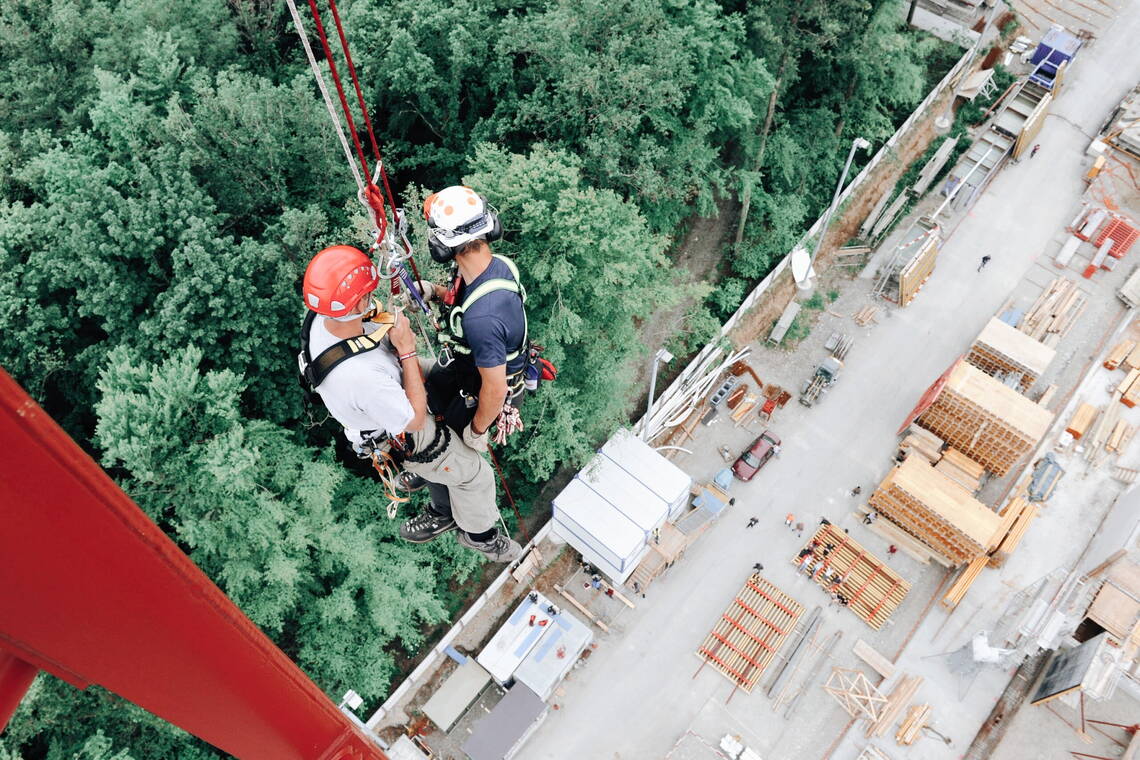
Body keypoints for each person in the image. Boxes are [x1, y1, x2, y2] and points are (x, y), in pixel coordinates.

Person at [298, 245, 521, 562]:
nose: (371, 298)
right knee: (476, 475)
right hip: (399, 420)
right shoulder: (360, 377)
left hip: (392, 382)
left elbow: (371, 317)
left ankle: (434, 472)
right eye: (368, 294)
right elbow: (415, 420)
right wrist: (406, 349)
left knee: (451, 377)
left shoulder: (325, 317)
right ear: (356, 301)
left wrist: (397, 319)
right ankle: (479, 536)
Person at [417, 186, 530, 450]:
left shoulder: (483, 319)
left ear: (443, 244)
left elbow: (495, 389)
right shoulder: (496, 265)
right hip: (467, 368)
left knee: (447, 445)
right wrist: (434, 292)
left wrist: (476, 431)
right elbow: (466, 299)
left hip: (481, 393)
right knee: (432, 387)